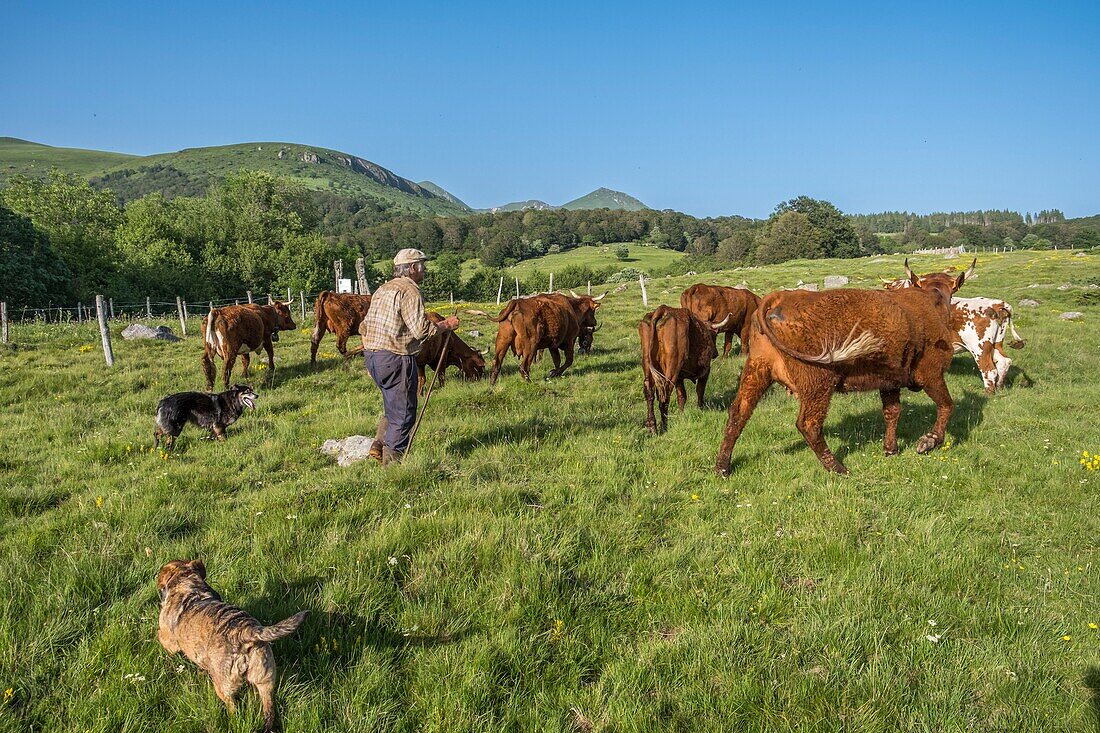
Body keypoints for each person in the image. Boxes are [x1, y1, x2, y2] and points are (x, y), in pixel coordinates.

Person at [359, 248, 459, 466]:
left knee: (392, 404)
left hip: (373, 356)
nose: (425, 269)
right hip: (395, 357)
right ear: (413, 268)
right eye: (422, 265)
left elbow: (364, 326)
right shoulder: (410, 291)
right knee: (404, 414)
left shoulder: (382, 289)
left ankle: (378, 445)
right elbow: (421, 331)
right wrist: (446, 325)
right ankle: (391, 466)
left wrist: (372, 356)